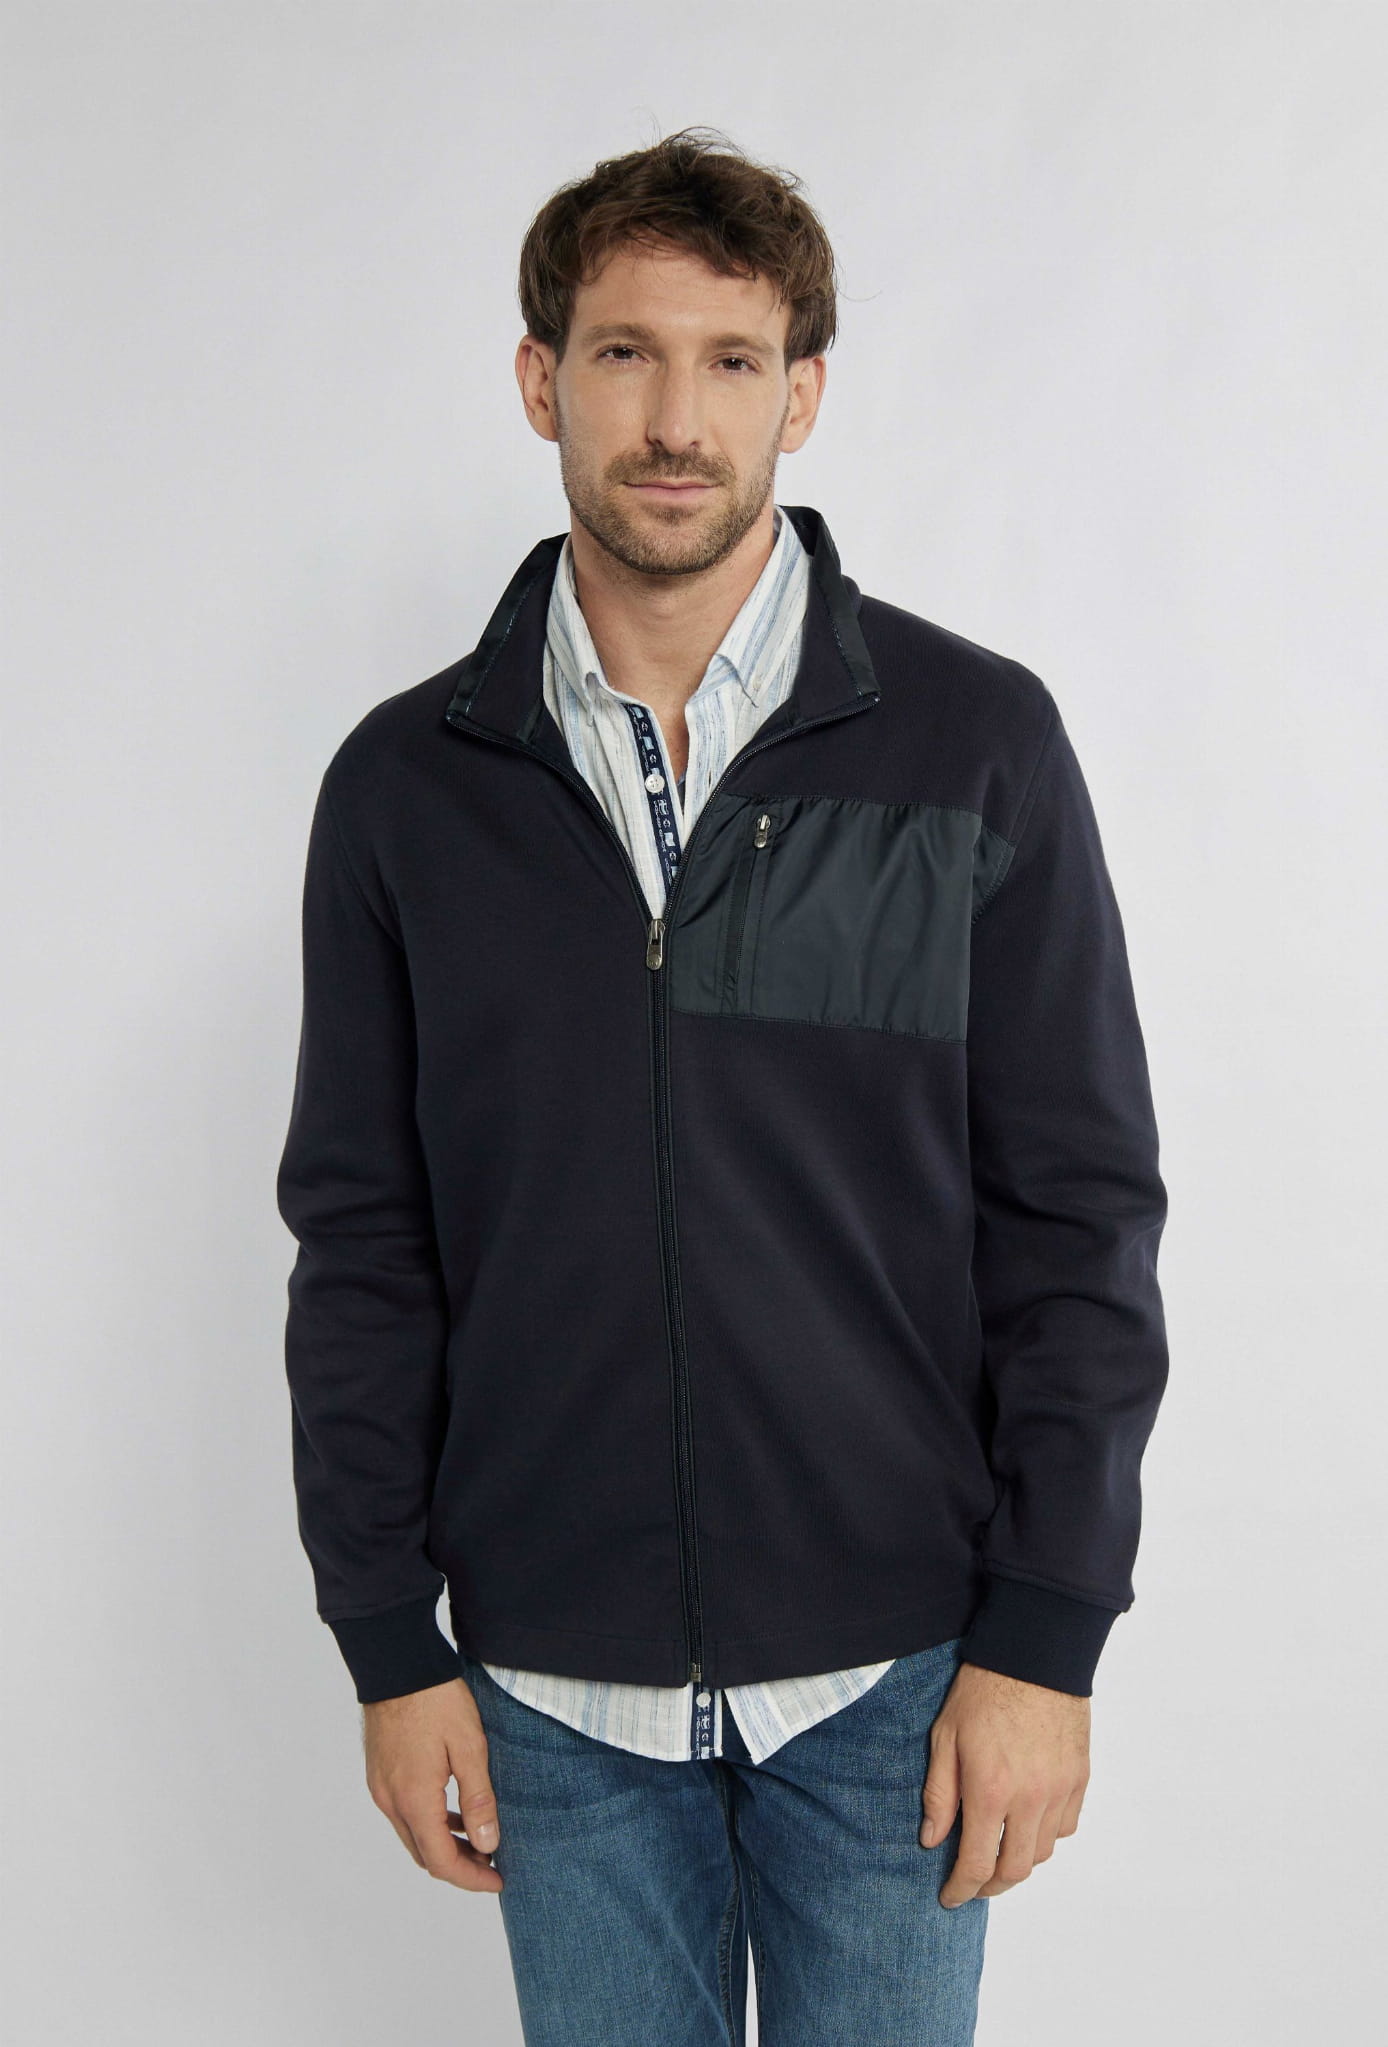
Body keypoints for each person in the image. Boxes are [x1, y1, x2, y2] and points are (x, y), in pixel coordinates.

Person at [276, 125, 1170, 2046]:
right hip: (552, 1698)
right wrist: (387, 1643)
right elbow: (362, 1243)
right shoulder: (407, 791)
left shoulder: (971, 746)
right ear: (542, 380)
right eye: (625, 353)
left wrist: (1047, 1636)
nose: (677, 420)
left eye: (733, 360)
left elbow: (1078, 1218)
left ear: (802, 394)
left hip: (900, 1682)